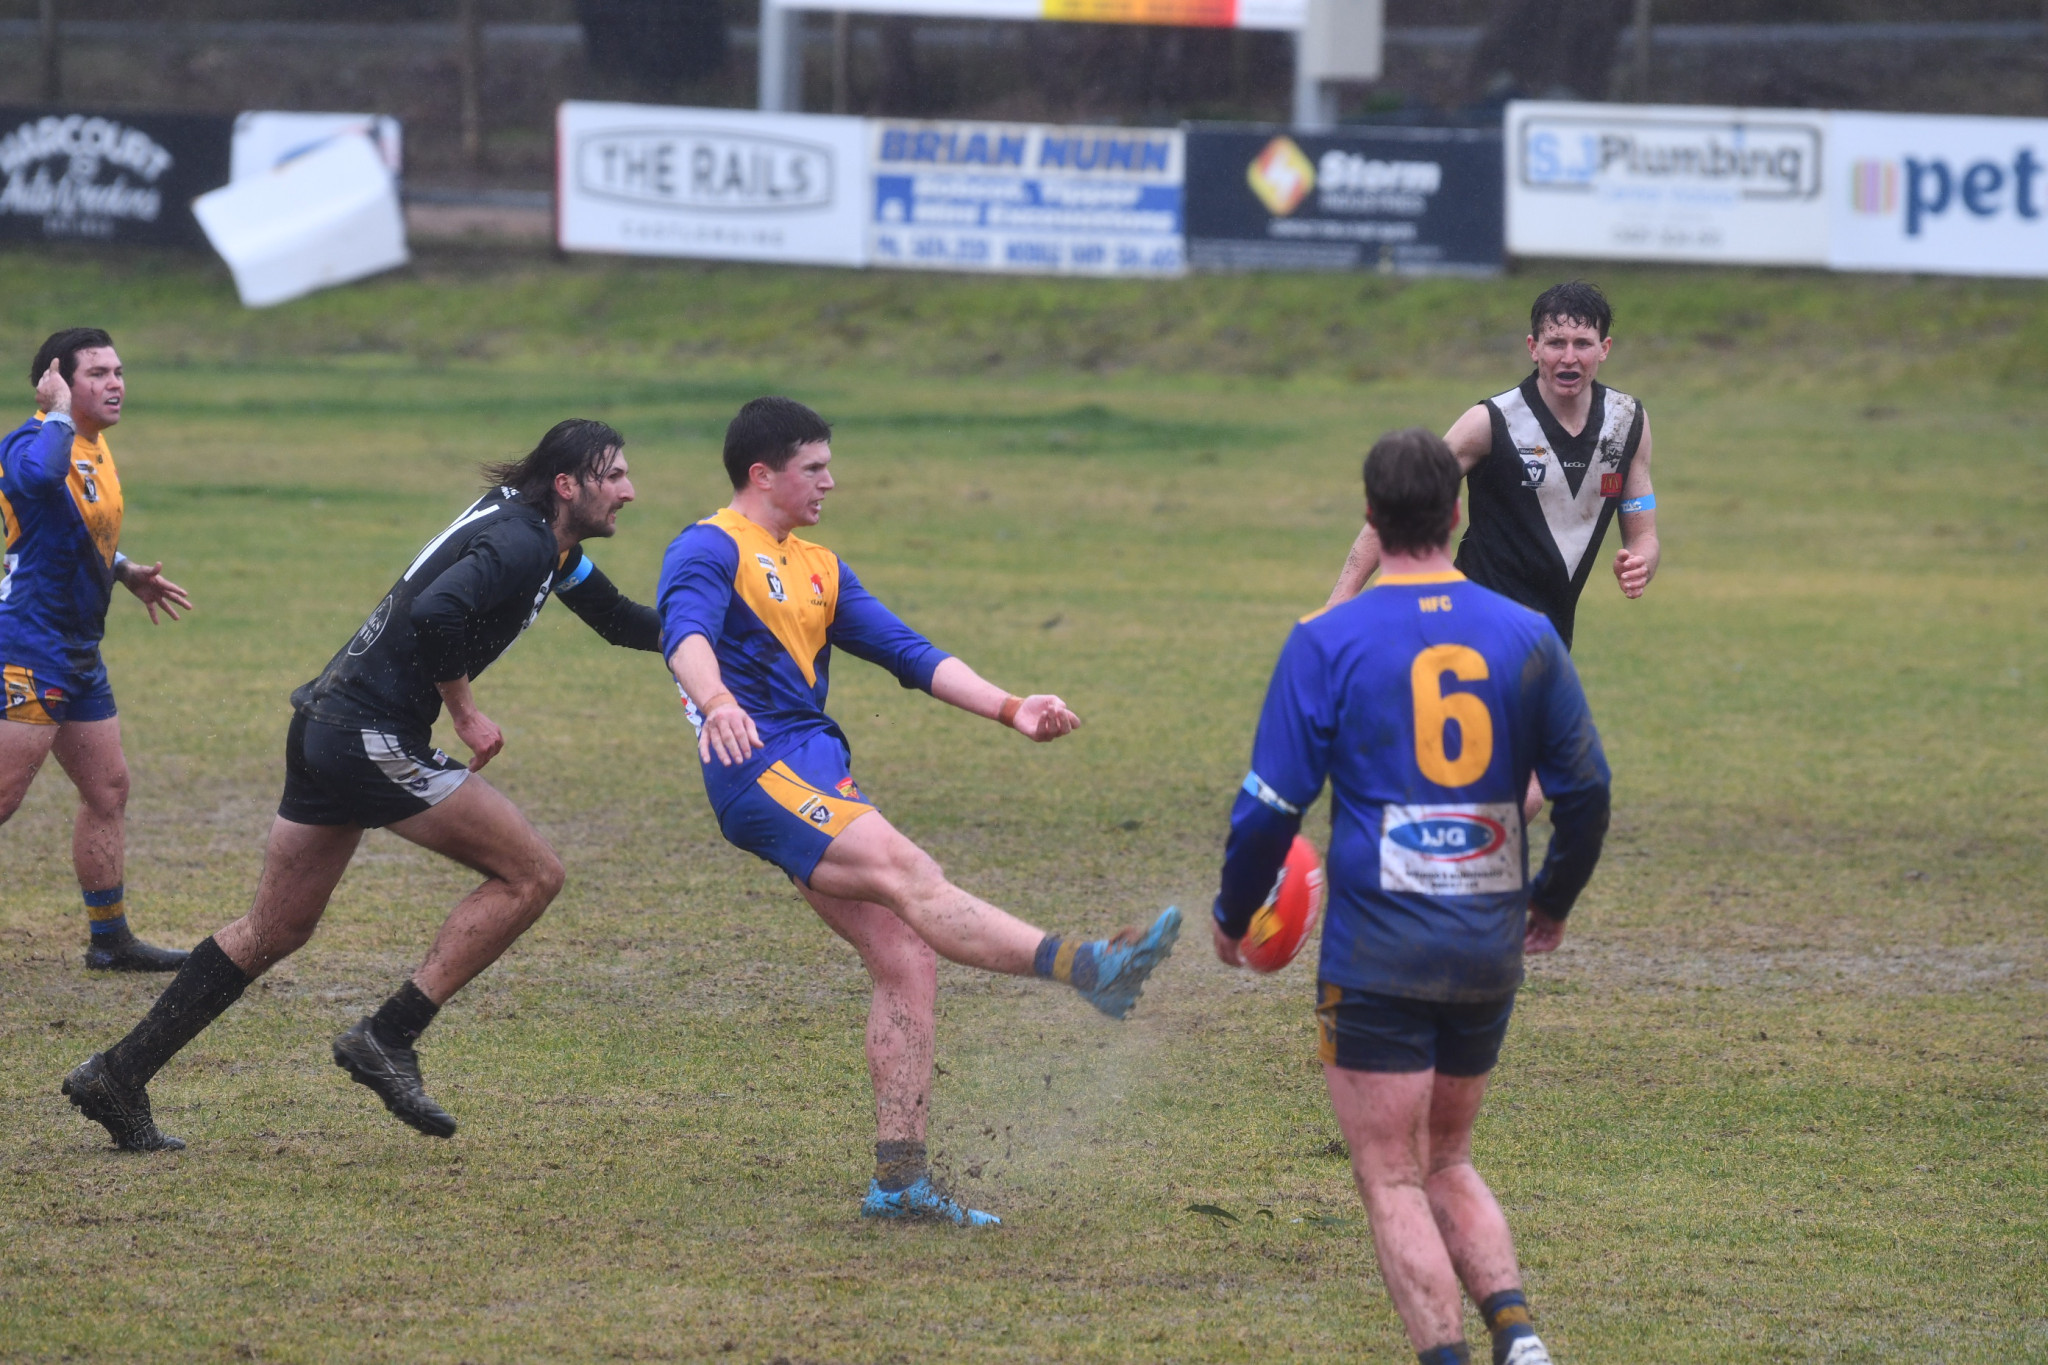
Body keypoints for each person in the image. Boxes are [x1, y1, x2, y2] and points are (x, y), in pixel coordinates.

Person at [63, 420, 661, 1152]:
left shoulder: (547, 544)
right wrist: (466, 714)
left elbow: (623, 620)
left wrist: (720, 632)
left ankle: (119, 1074)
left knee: (273, 929)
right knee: (532, 874)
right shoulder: (525, 541)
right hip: (366, 734)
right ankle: (389, 1035)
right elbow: (438, 611)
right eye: (616, 477)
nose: (630, 491)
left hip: (328, 722)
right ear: (568, 484)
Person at [659, 396, 1180, 1227]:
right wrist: (716, 700)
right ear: (763, 474)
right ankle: (1091, 969)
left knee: (906, 953)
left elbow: (911, 653)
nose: (832, 480)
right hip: (761, 770)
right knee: (913, 876)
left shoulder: (821, 564)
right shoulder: (708, 546)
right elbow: (680, 632)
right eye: (815, 467)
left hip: (818, 771)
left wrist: (1013, 708)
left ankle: (899, 1180)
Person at [1214, 429, 1611, 1365]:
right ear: (1459, 514)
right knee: (1452, 1158)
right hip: (1486, 944)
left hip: (1378, 954)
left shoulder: (1327, 638)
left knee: (1392, 1176)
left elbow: (1268, 808)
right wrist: (1550, 899)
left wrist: (1235, 916)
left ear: (1370, 517)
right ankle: (1520, 1341)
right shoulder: (1527, 634)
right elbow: (1586, 792)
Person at [1325, 281, 1656, 818]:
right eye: (1555, 343)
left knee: (1510, 794)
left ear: (1604, 349)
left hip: (1542, 639)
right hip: (1467, 621)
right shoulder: (1491, 422)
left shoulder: (1628, 425)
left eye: (1581, 343)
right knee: (1517, 791)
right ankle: (1435, 876)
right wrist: (1342, 598)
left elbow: (1643, 532)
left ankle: (1430, 871)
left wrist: (1642, 561)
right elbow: (1401, 505)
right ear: (1532, 348)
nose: (1567, 356)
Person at [0, 329, 194, 972]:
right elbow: (37, 478)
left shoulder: (92, 444)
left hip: (79, 650)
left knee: (108, 789)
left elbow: (71, 527)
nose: (115, 383)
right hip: (28, 647)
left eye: (118, 371)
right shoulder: (35, 440)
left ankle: (110, 942)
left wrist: (124, 569)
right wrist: (54, 412)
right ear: (57, 381)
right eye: (96, 374)